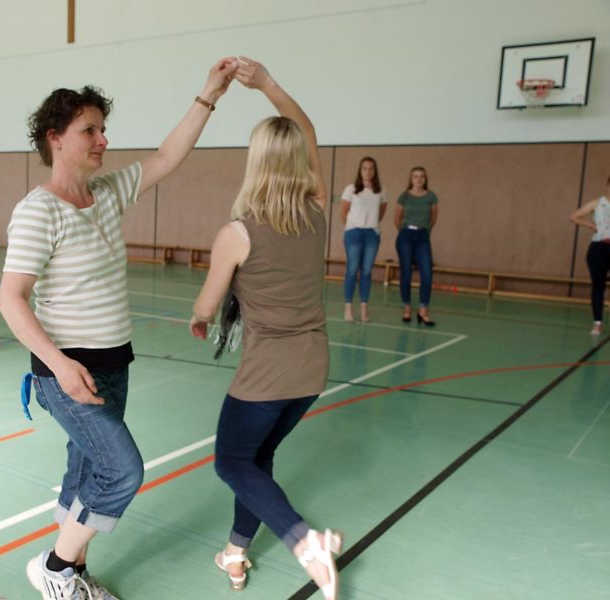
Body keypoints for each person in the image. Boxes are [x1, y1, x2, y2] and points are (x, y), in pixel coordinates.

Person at [0, 58, 239, 600]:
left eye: (104, 129)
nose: (103, 139)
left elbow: (168, 155)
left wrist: (209, 93)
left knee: (87, 471)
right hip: (66, 371)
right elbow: (10, 301)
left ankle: (70, 572)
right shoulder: (39, 211)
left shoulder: (107, 193)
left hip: (114, 363)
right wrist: (60, 367)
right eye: (91, 130)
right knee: (123, 471)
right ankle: (56, 568)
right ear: (55, 138)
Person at [190, 58, 342, 600]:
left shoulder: (237, 232)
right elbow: (310, 133)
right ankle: (235, 552)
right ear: (300, 163)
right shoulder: (318, 212)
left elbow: (207, 307)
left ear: (254, 163)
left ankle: (304, 541)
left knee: (232, 461)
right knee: (260, 459)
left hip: (265, 375)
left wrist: (199, 317)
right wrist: (269, 85)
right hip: (312, 371)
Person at [340, 156, 386, 323]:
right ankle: (348, 308)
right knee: (352, 270)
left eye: (371, 168)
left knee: (366, 270)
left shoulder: (380, 191)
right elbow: (343, 212)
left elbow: (381, 211)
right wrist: (352, 226)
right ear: (360, 170)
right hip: (353, 233)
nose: (368, 171)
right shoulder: (351, 189)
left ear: (375, 171)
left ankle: (364, 309)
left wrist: (370, 224)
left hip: (371, 234)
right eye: (365, 168)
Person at [394, 166, 438, 326]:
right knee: (406, 271)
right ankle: (406, 307)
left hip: (422, 236)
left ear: (425, 179)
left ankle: (423, 310)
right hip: (406, 235)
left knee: (427, 272)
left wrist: (424, 231)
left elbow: (433, 217)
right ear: (411, 179)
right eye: (415, 176)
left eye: (421, 177)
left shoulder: (431, 197)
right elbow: (396, 218)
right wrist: (405, 232)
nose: (418, 179)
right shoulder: (404, 196)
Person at [569, 175, 610, 335]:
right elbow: (573, 217)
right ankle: (597, 322)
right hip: (598, 249)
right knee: (598, 286)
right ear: (607, 185)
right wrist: (591, 225)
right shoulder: (597, 203)